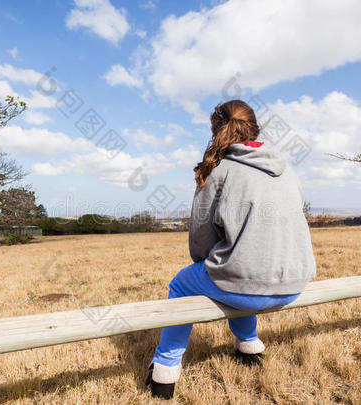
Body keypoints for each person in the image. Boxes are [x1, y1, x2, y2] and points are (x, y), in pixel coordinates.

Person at [145, 99, 317, 400]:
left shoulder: (218, 170)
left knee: (184, 282)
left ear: (216, 128)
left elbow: (200, 239)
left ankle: (164, 371)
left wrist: (210, 263)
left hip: (247, 285)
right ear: (255, 127)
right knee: (240, 268)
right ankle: (249, 346)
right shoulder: (286, 167)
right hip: (295, 283)